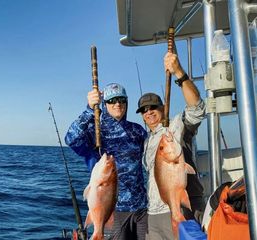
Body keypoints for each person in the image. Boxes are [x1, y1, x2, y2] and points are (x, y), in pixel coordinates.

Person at [136, 52, 206, 240]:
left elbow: (197, 108)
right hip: (153, 213)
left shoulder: (176, 126)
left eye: (153, 107)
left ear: (163, 107)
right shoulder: (147, 141)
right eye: (144, 110)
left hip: (183, 206)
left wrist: (179, 73)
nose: (148, 112)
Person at [65, 83, 148, 239]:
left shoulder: (137, 131)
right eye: (112, 100)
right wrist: (89, 110)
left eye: (122, 100)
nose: (117, 104)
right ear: (105, 103)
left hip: (142, 208)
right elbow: (71, 139)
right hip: (113, 211)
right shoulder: (96, 130)